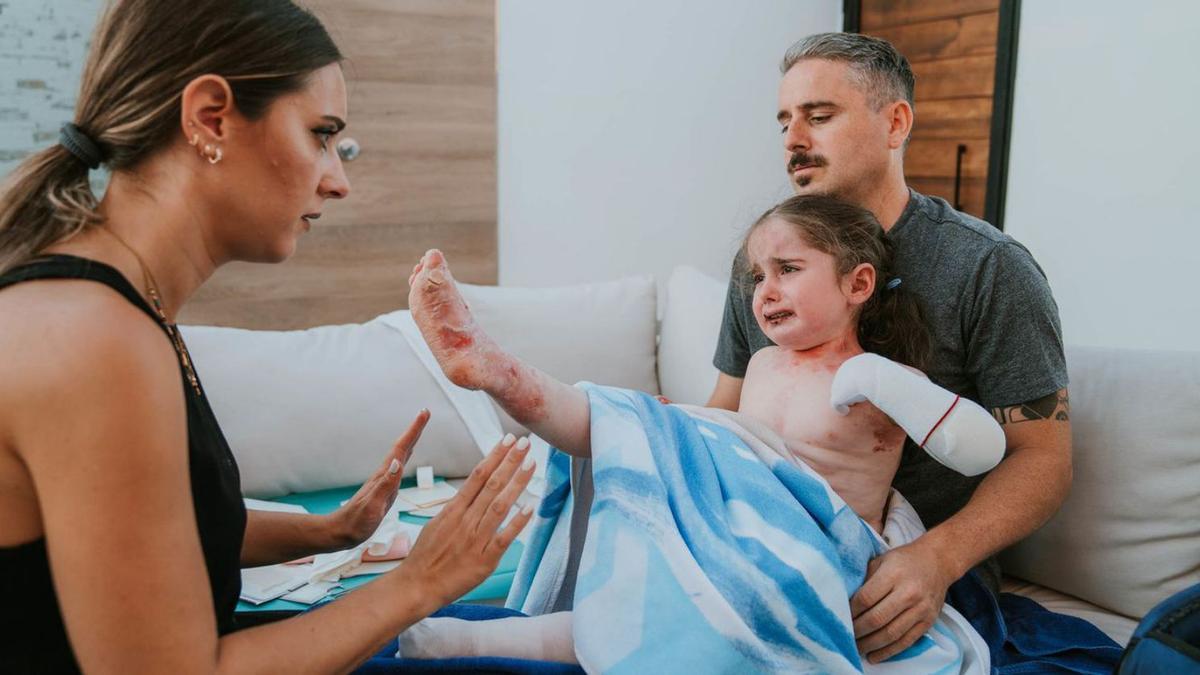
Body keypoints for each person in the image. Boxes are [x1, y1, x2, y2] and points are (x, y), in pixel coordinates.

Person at [0, 1, 533, 672]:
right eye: (321, 134)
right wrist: (421, 579)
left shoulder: (120, 311)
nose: (338, 180)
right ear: (210, 117)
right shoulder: (92, 340)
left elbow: (147, 530)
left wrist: (331, 530)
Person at [391, 194, 1004, 668]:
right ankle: (495, 372)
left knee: (700, 596)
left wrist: (886, 381)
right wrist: (676, 424)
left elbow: (982, 452)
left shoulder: (879, 379)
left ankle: (476, 641)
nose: (765, 292)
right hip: (733, 529)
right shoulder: (763, 364)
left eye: (787, 269)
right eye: (757, 278)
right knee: (637, 501)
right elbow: (740, 448)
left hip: (816, 556)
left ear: (858, 284)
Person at [707, 32, 1071, 663]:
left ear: (895, 122)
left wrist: (937, 558)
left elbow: (1044, 457)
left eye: (819, 117)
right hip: (769, 552)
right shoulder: (767, 267)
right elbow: (721, 415)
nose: (794, 139)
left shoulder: (987, 267)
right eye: (785, 121)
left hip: (916, 576)